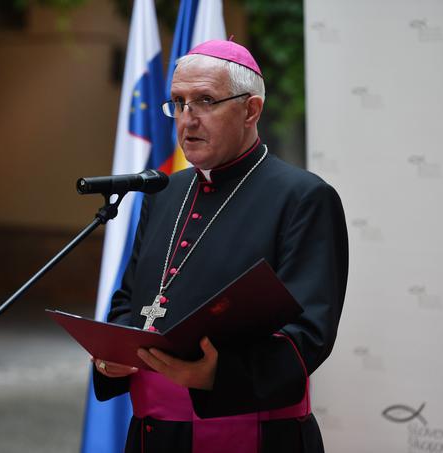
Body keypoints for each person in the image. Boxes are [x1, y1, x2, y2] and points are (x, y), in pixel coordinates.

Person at [92, 39, 348, 453]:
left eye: (205, 101)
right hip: (153, 436)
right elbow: (130, 300)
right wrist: (110, 355)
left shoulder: (303, 198)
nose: (186, 119)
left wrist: (216, 375)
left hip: (253, 435)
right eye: (177, 102)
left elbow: (309, 333)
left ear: (251, 110)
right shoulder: (163, 192)